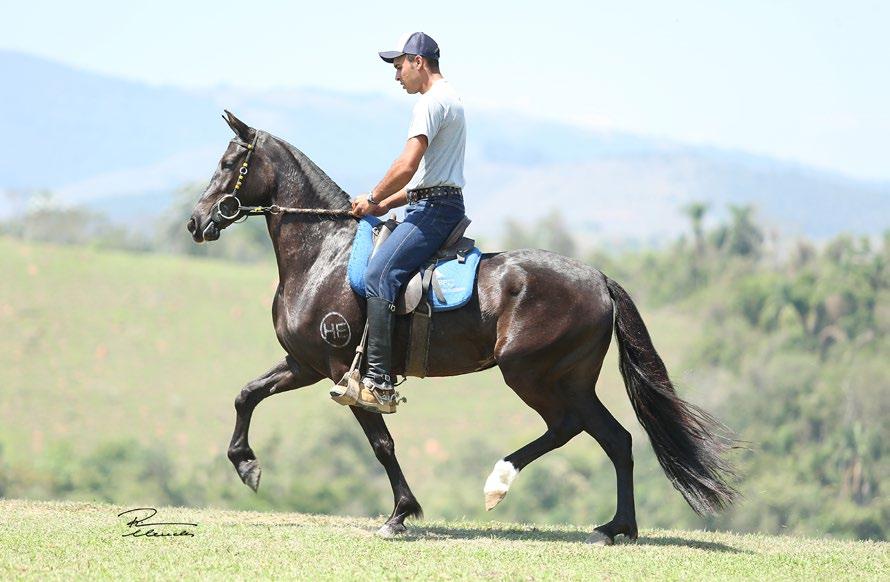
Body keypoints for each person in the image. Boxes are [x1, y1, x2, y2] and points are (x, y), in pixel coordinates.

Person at [348, 31, 467, 414]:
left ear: (418, 62)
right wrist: (384, 204)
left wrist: (373, 197)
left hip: (434, 211)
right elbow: (425, 182)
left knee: (378, 276)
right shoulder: (451, 98)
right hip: (434, 202)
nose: (396, 76)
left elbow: (407, 166)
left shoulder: (430, 103)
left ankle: (379, 383)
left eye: (399, 67)